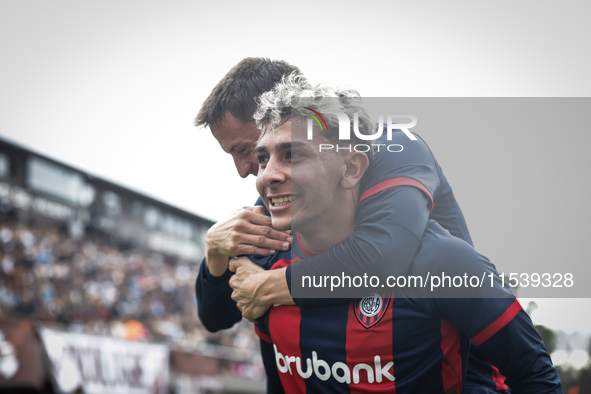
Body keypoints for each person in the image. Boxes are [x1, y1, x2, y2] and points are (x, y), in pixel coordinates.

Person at [230, 75, 562, 393]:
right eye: (263, 158)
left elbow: (535, 376)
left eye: (293, 154)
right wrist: (216, 252)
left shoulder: (443, 263)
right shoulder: (260, 267)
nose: (267, 175)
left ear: (351, 169)